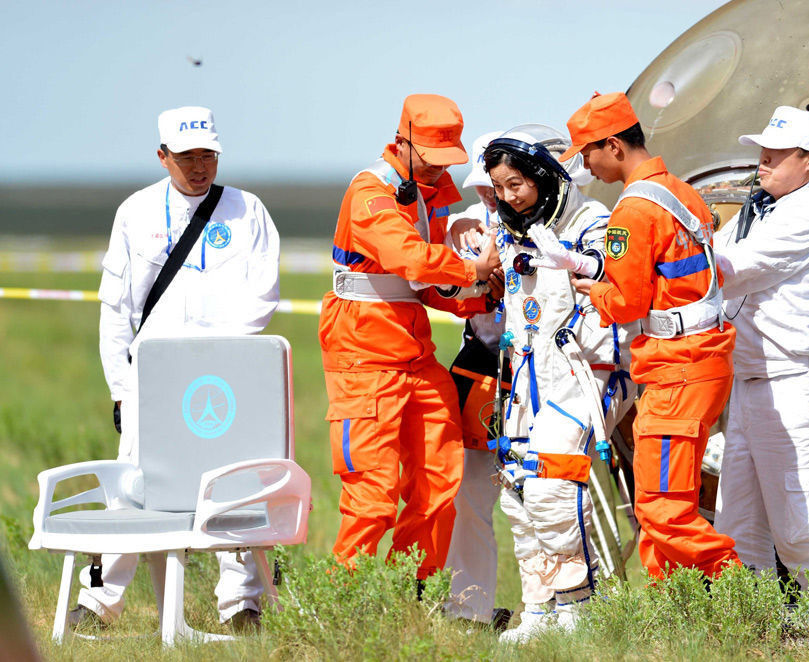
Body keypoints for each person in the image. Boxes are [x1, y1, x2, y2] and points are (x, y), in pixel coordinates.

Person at [71, 106, 280, 630]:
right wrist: (120, 387)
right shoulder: (135, 212)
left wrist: (215, 351)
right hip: (151, 379)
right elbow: (115, 308)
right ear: (162, 156)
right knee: (132, 486)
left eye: (207, 154)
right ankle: (99, 604)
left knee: (235, 484)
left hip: (226, 376)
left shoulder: (247, 209)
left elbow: (264, 293)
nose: (198, 166)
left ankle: (242, 605)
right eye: (186, 156)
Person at [318, 94, 502, 582]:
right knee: (371, 496)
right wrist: (472, 268)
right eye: (432, 158)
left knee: (440, 483)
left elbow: (427, 287)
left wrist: (483, 297)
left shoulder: (427, 193)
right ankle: (345, 606)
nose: (441, 171)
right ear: (404, 142)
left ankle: (410, 595)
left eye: (449, 161)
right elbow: (411, 259)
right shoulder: (370, 192)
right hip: (364, 359)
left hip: (415, 355)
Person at [563, 93, 741, 582]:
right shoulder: (681, 192)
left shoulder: (632, 212)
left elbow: (625, 304)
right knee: (660, 504)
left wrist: (589, 287)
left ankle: (746, 599)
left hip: (675, 371)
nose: (586, 166)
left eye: (587, 154)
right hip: (699, 362)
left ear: (614, 146)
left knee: (663, 511)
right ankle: (670, 617)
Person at [480, 124, 636, 642]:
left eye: (515, 185)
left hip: (588, 369)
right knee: (518, 493)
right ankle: (541, 610)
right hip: (529, 372)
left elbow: (620, 275)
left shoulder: (595, 221)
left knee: (550, 482)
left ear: (546, 177)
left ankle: (579, 607)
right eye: (498, 187)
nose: (506, 197)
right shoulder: (509, 229)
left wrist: (579, 263)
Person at [713, 106, 809, 606]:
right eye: (762, 152)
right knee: (738, 526)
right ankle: (751, 631)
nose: (763, 161)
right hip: (752, 384)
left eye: (776, 154)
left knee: (803, 528)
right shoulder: (759, 210)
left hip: (795, 382)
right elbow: (713, 255)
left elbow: (728, 269)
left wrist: (664, 243)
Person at [438, 130, 510, 628]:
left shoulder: (567, 224)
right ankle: (469, 610)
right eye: (483, 187)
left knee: (547, 499)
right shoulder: (468, 227)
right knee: (467, 493)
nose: (489, 196)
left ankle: (564, 608)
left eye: (498, 186)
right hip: (482, 367)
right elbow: (444, 280)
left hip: (547, 373)